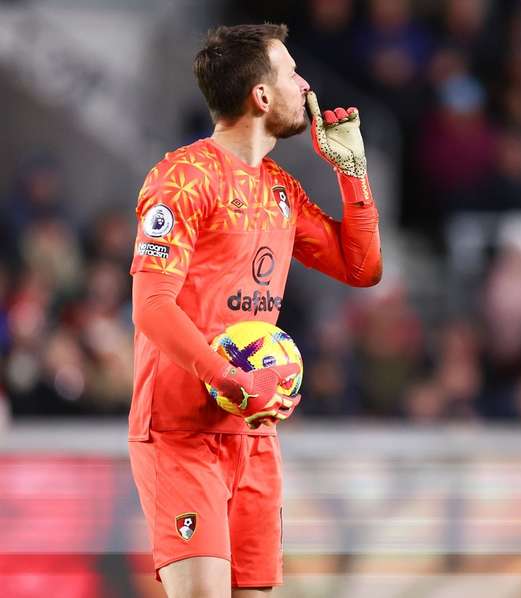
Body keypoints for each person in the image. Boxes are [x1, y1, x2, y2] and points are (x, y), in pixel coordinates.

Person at [128, 24, 382, 597]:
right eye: (292, 72)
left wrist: (354, 174)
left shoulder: (281, 190)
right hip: (180, 431)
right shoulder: (182, 179)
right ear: (262, 97)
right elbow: (151, 307)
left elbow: (361, 268)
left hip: (252, 433)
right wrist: (228, 378)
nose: (305, 84)